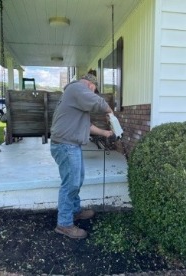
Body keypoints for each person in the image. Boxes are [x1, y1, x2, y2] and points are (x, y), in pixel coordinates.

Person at [50, 73, 113, 239]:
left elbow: (87, 125)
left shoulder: (73, 95)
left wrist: (105, 133)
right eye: (94, 90)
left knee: (77, 180)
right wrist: (110, 112)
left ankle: (75, 211)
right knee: (71, 184)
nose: (93, 93)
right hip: (66, 146)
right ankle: (64, 224)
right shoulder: (77, 88)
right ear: (91, 85)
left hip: (69, 145)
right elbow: (98, 103)